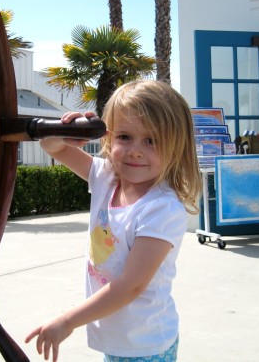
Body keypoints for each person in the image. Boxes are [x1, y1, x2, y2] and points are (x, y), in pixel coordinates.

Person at [25, 80, 202, 362]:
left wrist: (68, 320)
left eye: (151, 140)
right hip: (116, 335)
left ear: (176, 146)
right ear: (108, 136)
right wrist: (68, 132)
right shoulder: (107, 176)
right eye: (124, 137)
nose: (135, 150)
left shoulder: (161, 209)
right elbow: (52, 146)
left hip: (144, 343)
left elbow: (130, 284)